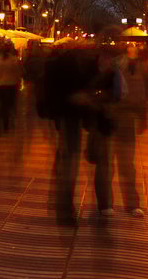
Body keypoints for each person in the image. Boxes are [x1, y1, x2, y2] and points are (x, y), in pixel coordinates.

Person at [37, 44, 115, 226]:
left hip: (73, 116)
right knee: (69, 161)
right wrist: (77, 99)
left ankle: (65, 208)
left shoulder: (87, 65)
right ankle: (64, 210)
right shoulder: (73, 65)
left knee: (68, 160)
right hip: (68, 116)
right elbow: (57, 93)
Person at [109, 42, 148, 217]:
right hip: (111, 117)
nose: (132, 49)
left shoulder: (140, 66)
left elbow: (142, 91)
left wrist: (142, 116)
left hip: (125, 118)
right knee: (110, 163)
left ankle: (130, 203)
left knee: (126, 162)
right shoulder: (114, 64)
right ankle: (109, 204)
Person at [0, 45, 23, 131]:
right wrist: (18, 83)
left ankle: (1, 120)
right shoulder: (14, 60)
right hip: (11, 84)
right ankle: (8, 122)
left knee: (1, 103)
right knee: (10, 104)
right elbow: (18, 72)